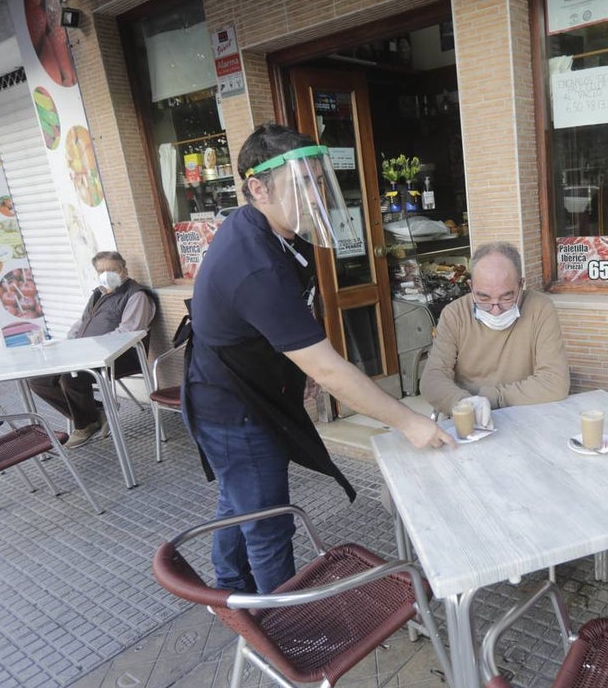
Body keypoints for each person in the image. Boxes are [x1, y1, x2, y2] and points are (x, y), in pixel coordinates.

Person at [184, 123, 453, 596]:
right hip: (234, 410)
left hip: (250, 388)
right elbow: (328, 367)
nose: (316, 193)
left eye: (318, 179)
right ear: (258, 188)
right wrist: (408, 422)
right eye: (302, 182)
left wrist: (294, 366)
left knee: (238, 500)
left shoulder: (277, 232)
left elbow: (296, 315)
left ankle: (227, 586)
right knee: (267, 521)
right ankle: (286, 627)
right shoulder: (254, 263)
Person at [420, 241, 570, 428]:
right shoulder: (454, 314)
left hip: (526, 415)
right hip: (469, 419)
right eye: (483, 298)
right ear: (470, 286)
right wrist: (465, 403)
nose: (496, 310)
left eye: (507, 297)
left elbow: (555, 382)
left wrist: (490, 398)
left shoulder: (540, 308)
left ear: (521, 285)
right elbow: (432, 379)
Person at [28, 251, 156, 448]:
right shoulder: (98, 293)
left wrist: (89, 348)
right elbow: (82, 323)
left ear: (124, 270)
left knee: (71, 378)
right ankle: (95, 413)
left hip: (119, 357)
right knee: (38, 380)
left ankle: (86, 424)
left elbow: (128, 333)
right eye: (101, 270)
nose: (106, 274)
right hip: (85, 355)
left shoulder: (136, 295)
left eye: (112, 269)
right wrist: (69, 343)